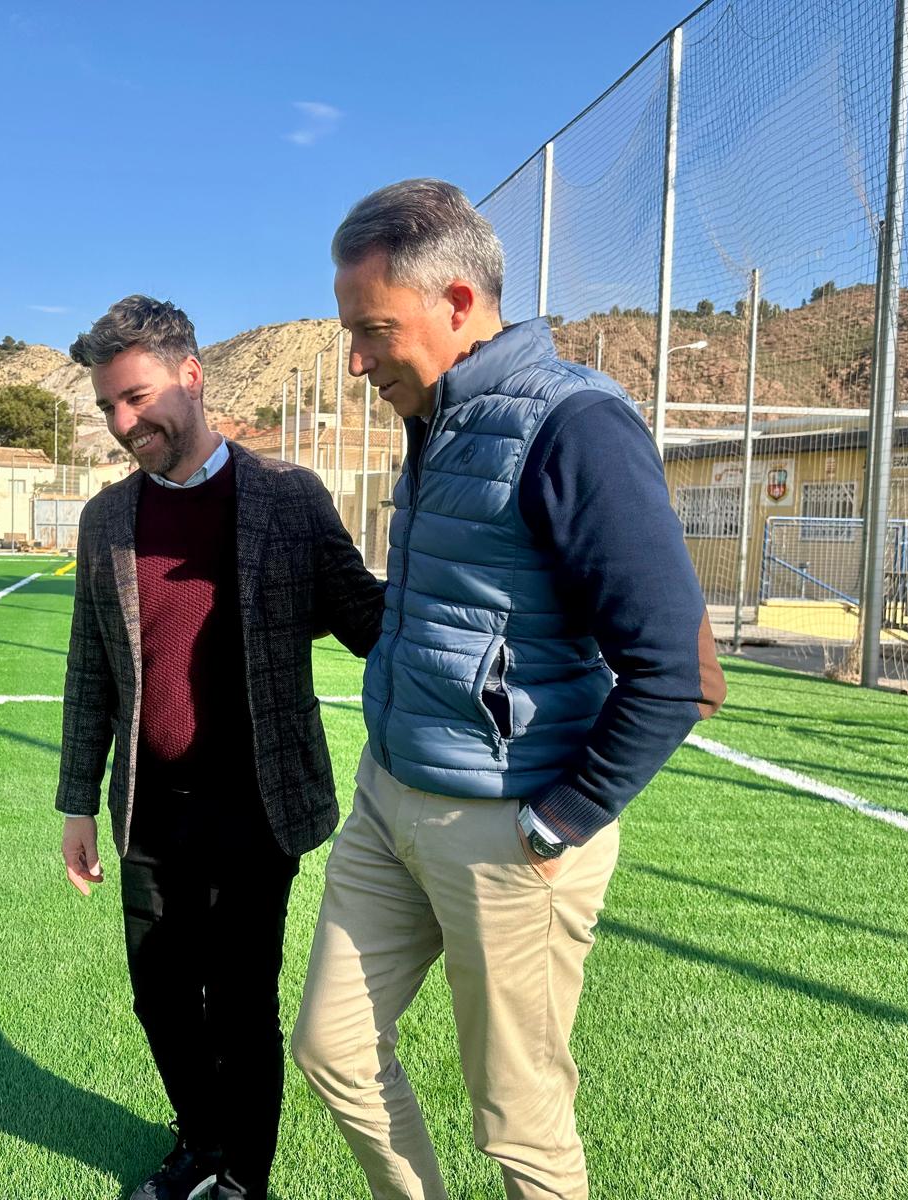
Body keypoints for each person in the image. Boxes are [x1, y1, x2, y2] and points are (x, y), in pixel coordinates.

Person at [290, 179, 727, 1200]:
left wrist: (558, 821)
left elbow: (679, 672)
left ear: (453, 303)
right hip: (389, 799)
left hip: (510, 831)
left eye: (372, 330)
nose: (357, 361)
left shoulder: (575, 426)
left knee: (517, 1122)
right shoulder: (437, 416)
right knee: (331, 1050)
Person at [56, 294, 386, 1200]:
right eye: (109, 407)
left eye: (137, 397)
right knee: (160, 996)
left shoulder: (288, 498)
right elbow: (93, 669)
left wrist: (462, 597)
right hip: (149, 807)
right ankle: (200, 1144)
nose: (126, 423)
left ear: (192, 376)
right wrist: (77, 800)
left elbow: (363, 616)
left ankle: (243, 1178)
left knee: (241, 1006)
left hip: (257, 807)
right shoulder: (106, 521)